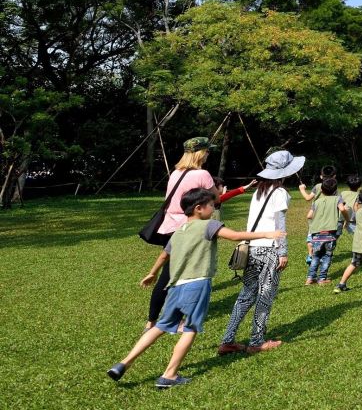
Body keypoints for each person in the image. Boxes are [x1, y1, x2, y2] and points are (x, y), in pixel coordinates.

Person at [108, 188, 284, 389]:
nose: (214, 207)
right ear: (199, 209)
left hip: (175, 286)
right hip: (198, 284)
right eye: (211, 205)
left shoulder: (178, 232)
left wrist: (152, 273)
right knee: (190, 329)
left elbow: (164, 256)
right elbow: (235, 236)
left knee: (160, 326)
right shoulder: (209, 225)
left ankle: (124, 363)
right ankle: (169, 375)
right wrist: (268, 233)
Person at [218, 149, 303, 356]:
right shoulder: (280, 193)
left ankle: (227, 340)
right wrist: (283, 252)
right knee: (265, 295)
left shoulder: (259, 191)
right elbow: (280, 224)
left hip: (252, 247)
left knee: (246, 295)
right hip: (270, 250)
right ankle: (257, 340)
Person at [145, 137, 216, 331]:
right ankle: (167, 319)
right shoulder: (203, 174)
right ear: (201, 153)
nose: (209, 154)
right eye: (207, 151)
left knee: (170, 271)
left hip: (169, 226)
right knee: (179, 274)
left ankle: (152, 320)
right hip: (188, 228)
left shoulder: (176, 173)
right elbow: (214, 198)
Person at [305, 177, 350, 284]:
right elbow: (342, 209)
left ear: (322, 190)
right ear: (335, 190)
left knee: (316, 255)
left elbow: (309, 216)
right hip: (330, 231)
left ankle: (310, 278)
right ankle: (322, 278)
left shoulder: (316, 202)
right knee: (327, 255)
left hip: (316, 231)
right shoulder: (337, 198)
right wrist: (347, 220)